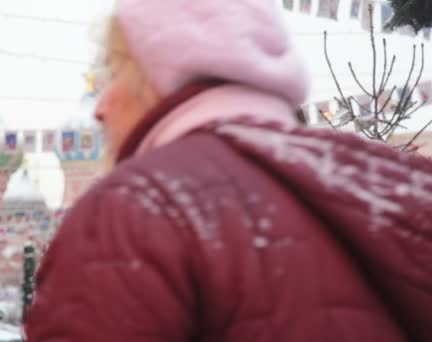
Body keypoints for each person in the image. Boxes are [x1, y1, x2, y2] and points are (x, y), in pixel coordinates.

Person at [26, 0, 432, 341]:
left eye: (112, 74)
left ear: (157, 76)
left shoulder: (137, 206)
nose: (99, 107)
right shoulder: (396, 189)